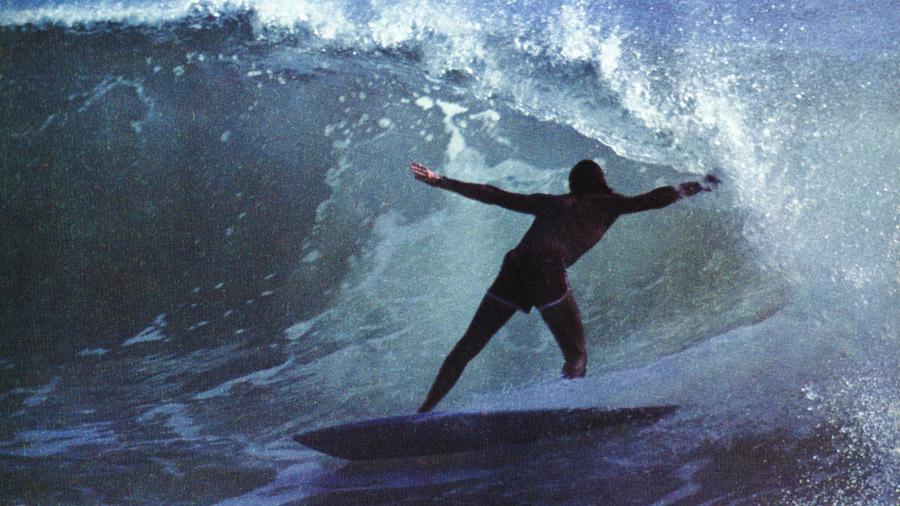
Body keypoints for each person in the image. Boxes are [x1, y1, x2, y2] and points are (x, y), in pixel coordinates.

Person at [410, 160, 719, 413]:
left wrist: (440, 181)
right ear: (602, 182)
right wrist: (702, 184)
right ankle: (567, 410)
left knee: (468, 345)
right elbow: (658, 197)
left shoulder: (553, 203)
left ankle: (424, 412)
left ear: (574, 185)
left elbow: (494, 195)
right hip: (545, 270)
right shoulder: (609, 204)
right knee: (576, 355)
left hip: (516, 266)